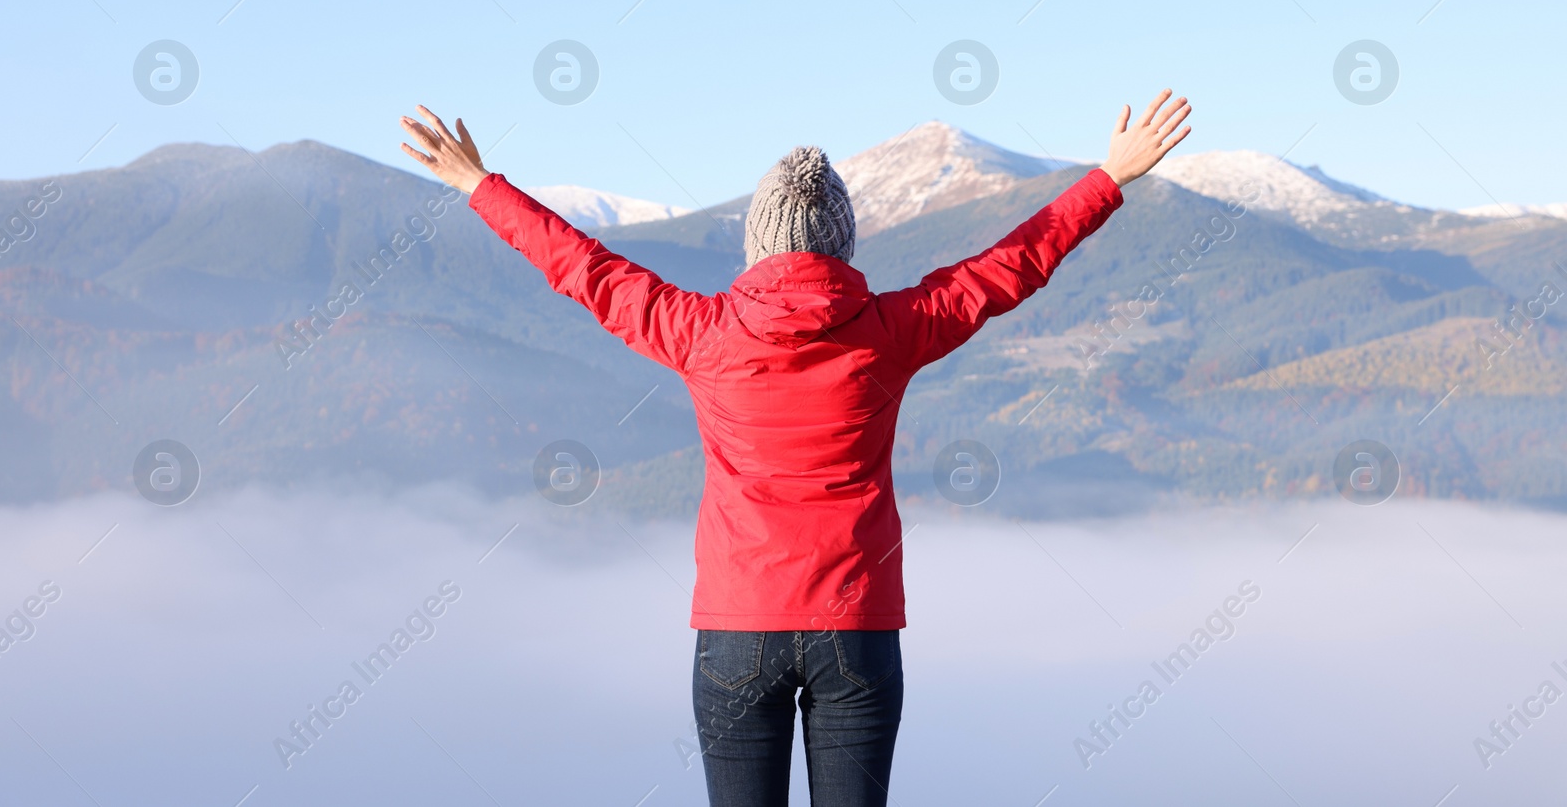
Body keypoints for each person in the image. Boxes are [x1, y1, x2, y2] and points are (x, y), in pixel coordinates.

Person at [399, 91, 1191, 807]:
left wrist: (479, 186)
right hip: (858, 629)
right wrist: (1109, 178)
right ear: (842, 243)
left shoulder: (700, 332)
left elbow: (584, 270)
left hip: (738, 627)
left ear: (756, 244)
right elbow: (1009, 268)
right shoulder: (891, 330)